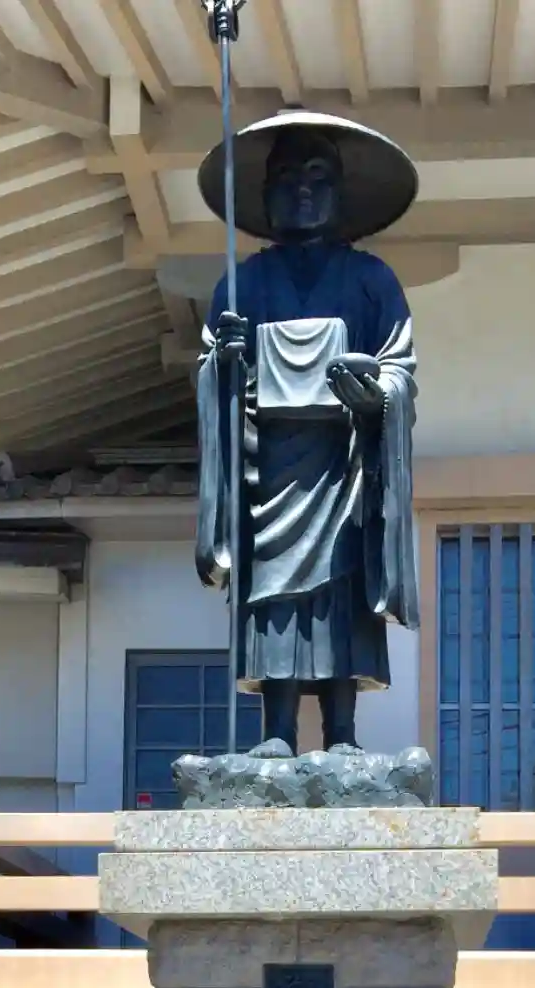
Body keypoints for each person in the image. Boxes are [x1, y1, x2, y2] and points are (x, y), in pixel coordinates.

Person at [195, 112, 420, 756]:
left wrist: (375, 394)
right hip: (269, 468)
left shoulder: (372, 281)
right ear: (265, 192)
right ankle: (277, 730)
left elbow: (400, 370)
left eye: (318, 176)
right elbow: (212, 372)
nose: (302, 189)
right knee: (273, 592)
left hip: (344, 466)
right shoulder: (243, 283)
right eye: (288, 176)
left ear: (340, 192)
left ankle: (343, 732)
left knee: (341, 590)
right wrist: (227, 363)